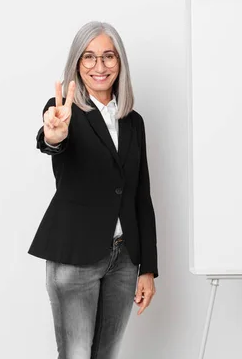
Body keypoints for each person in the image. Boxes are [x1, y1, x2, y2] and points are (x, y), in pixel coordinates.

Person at [28, 21, 158, 359]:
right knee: (76, 354)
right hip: (75, 257)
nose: (99, 67)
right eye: (89, 57)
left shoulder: (133, 121)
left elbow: (140, 196)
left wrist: (147, 268)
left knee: (108, 353)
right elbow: (53, 140)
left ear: (120, 62)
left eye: (108, 56)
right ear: (77, 63)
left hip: (124, 259)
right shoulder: (64, 112)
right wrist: (54, 134)